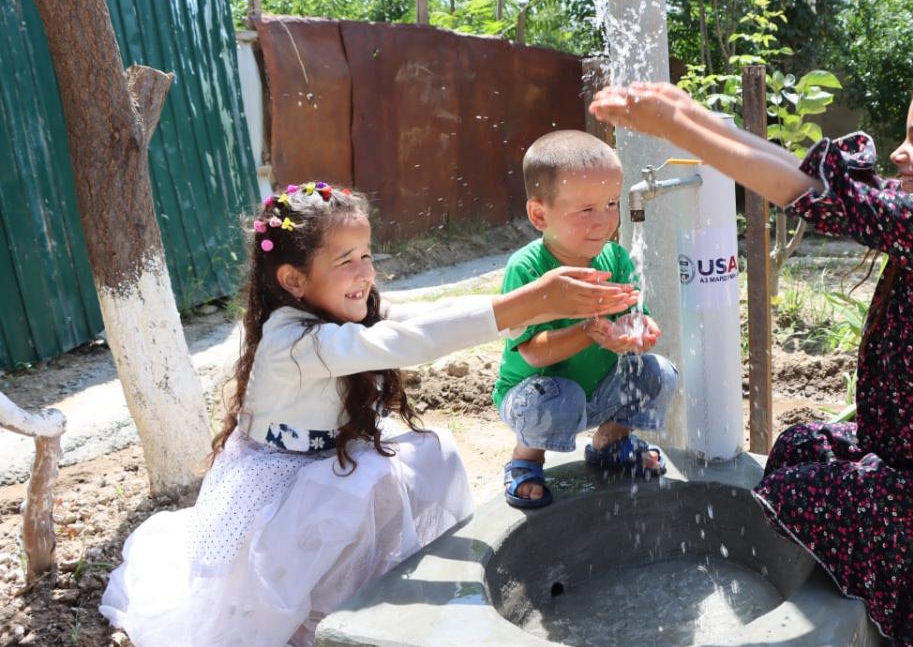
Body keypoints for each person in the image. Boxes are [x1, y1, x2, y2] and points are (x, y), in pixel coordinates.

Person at [590, 62, 913, 645]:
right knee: (800, 446)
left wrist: (681, 131)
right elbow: (810, 178)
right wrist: (692, 117)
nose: (900, 153)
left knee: (796, 494)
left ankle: (891, 604)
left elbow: (812, 196)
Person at [100, 181, 638, 646]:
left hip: (335, 458)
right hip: (280, 484)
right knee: (349, 500)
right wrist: (531, 301)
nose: (364, 273)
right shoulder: (289, 341)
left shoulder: (351, 306)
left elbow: (431, 317)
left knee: (426, 457)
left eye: (366, 254)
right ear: (292, 279)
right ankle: (332, 621)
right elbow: (409, 342)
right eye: (345, 260)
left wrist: (537, 299)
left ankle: (375, 593)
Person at [493, 130, 679, 509]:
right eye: (586, 210)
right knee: (558, 398)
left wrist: (636, 332)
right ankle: (526, 459)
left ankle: (611, 441)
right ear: (539, 214)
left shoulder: (614, 259)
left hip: (597, 392)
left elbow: (634, 315)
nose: (605, 220)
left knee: (657, 371)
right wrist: (589, 333)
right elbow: (533, 354)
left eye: (611, 203)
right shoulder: (528, 268)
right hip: (537, 399)